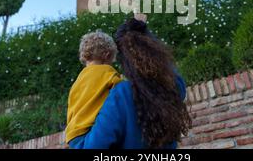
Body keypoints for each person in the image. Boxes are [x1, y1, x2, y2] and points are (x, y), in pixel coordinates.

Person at [69, 15, 191, 149]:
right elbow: (174, 77)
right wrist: (144, 33)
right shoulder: (172, 90)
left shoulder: (119, 94)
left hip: (74, 134)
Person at [65, 31, 122, 146]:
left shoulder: (78, 80)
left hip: (73, 136)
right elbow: (122, 91)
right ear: (107, 55)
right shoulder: (106, 71)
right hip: (91, 131)